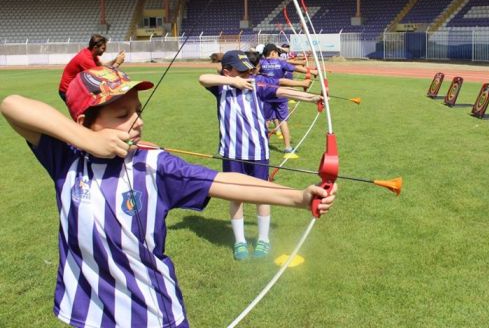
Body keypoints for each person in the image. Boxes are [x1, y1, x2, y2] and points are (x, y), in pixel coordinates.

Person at [0, 66, 335, 328]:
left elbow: (224, 182)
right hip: (89, 315)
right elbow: (11, 105)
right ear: (84, 123)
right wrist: (87, 142)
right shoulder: (67, 158)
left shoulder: (153, 164)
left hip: (154, 314)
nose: (137, 121)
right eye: (122, 115)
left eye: (137, 111)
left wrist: (299, 197)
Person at [199, 50, 322, 261]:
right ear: (227, 72)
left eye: (249, 71)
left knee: (262, 193)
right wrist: (234, 83)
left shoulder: (258, 86)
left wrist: (313, 97)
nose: (248, 75)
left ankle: (263, 239)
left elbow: (283, 92)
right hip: (231, 152)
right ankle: (240, 241)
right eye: (242, 71)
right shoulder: (221, 88)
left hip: (257, 150)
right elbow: (203, 78)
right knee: (235, 196)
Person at [259, 44, 316, 154]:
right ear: (273, 53)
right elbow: (295, 68)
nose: (278, 55)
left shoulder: (260, 63)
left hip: (265, 95)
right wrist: (311, 72)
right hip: (281, 95)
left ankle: (262, 146)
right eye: (276, 53)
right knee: (283, 121)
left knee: (265, 121)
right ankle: (288, 147)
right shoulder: (280, 62)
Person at [58, 34, 126, 101]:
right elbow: (101, 77)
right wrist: (117, 63)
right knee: (90, 109)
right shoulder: (85, 59)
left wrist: (115, 60)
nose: (104, 50)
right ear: (95, 47)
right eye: (103, 48)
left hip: (74, 88)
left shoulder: (90, 53)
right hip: (67, 91)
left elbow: (101, 66)